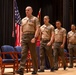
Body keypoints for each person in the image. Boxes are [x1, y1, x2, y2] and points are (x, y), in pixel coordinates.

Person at [16, 6, 40, 75]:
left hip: (31, 36)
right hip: (24, 37)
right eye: (26, 10)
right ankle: (21, 69)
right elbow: (21, 30)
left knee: (33, 54)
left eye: (28, 10)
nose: (27, 11)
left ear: (31, 11)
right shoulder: (23, 20)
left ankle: (35, 69)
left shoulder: (35, 19)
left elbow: (38, 29)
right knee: (23, 53)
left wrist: (35, 38)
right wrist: (20, 38)